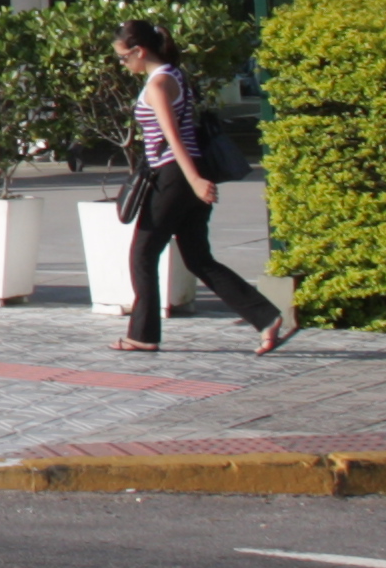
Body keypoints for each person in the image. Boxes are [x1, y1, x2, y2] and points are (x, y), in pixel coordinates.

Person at [111, 18, 291, 356]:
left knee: (143, 254)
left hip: (175, 175)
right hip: (189, 173)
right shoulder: (175, 74)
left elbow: (173, 137)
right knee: (197, 257)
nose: (123, 64)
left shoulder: (158, 84)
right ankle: (266, 317)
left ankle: (143, 335)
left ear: (140, 51)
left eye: (123, 57)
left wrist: (194, 181)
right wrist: (196, 179)